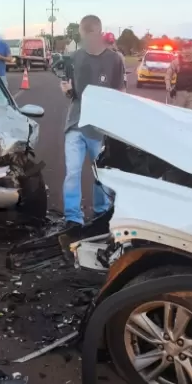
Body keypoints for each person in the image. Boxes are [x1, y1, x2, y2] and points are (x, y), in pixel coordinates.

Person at [60, 15, 125, 230]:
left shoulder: (115, 60)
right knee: (73, 171)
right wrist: (67, 90)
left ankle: (101, 211)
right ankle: (73, 217)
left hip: (100, 127)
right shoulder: (74, 58)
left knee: (101, 173)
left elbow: (120, 93)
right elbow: (71, 90)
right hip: (76, 123)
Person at [165, 39, 192, 110]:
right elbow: (168, 74)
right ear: (182, 49)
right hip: (179, 94)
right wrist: (168, 85)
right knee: (177, 115)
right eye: (185, 48)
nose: (187, 50)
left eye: (189, 48)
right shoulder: (176, 62)